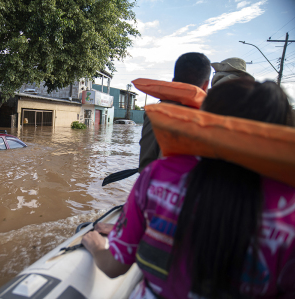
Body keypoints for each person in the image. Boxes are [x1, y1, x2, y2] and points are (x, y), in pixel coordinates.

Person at [82, 79, 295, 298]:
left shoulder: (159, 175)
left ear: (203, 121)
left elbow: (113, 266)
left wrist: (97, 246)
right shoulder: (289, 209)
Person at [138, 52, 211, 172]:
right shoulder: (202, 119)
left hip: (146, 185)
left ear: (173, 82)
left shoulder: (152, 113)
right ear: (206, 85)